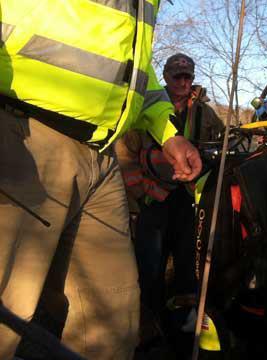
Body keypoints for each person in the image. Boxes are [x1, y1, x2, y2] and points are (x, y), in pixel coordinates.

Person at [0, 2, 202, 359]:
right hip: (24, 134)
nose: (184, 82)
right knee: (8, 317)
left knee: (112, 328)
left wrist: (168, 133)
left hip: (101, 161)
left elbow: (133, 67)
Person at [116, 52, 224, 357]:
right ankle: (148, 331)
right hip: (151, 202)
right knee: (149, 269)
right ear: (165, 76)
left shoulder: (206, 114)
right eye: (177, 76)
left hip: (188, 201)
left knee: (187, 271)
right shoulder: (146, 109)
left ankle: (183, 331)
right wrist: (139, 199)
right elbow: (125, 155)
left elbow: (221, 148)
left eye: (188, 76)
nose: (183, 81)